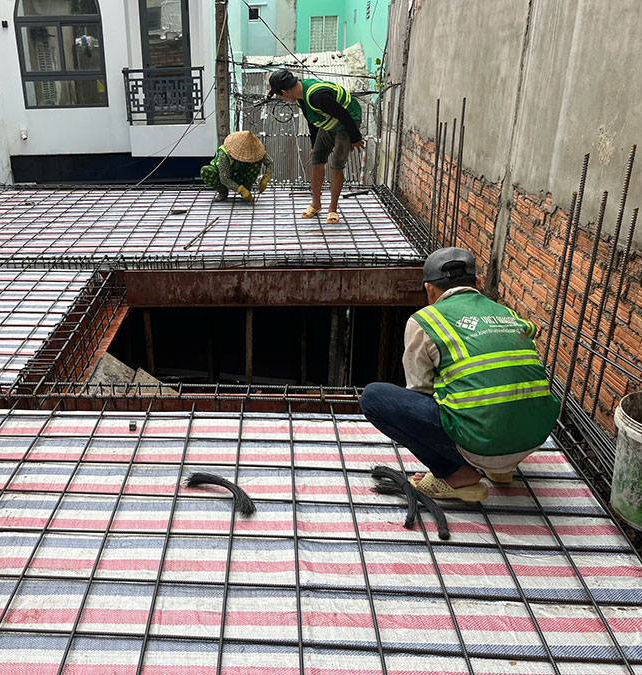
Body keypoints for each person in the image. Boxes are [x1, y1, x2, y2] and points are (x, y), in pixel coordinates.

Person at [360, 247, 560, 502]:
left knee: (373, 397)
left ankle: (455, 474)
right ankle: (502, 469)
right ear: (478, 283)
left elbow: (420, 390)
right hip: (532, 438)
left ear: (429, 290)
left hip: (482, 444)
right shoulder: (507, 313)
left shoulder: (425, 320)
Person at [267, 69, 363, 224]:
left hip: (346, 123)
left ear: (284, 92)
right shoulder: (301, 98)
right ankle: (316, 204)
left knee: (337, 165)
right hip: (328, 122)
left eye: (279, 96)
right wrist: (314, 145)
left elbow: (343, 115)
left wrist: (356, 138)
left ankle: (332, 209)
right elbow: (312, 121)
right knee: (317, 160)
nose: (281, 99)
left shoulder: (317, 96)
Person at [200, 131, 274, 202]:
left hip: (241, 174)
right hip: (224, 176)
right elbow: (224, 179)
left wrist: (266, 178)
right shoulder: (224, 154)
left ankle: (247, 187)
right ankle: (223, 191)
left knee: (257, 161)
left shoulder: (255, 150)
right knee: (205, 170)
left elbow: (269, 162)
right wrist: (241, 190)